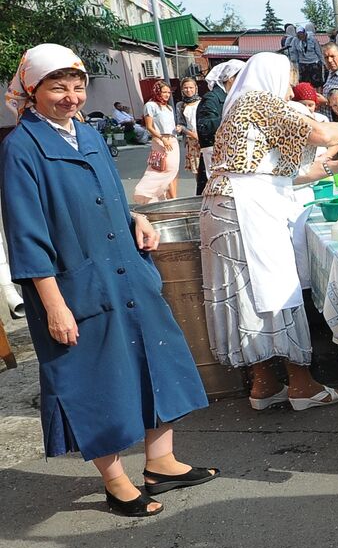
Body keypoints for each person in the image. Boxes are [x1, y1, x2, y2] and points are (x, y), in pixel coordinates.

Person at [2, 44, 214, 517]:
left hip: (126, 269)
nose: (71, 97)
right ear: (31, 91)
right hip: (75, 286)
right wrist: (55, 306)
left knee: (157, 360)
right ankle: (116, 482)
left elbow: (108, 195)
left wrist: (136, 216)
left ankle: (161, 463)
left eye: (78, 87)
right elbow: (26, 236)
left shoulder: (87, 134)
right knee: (95, 380)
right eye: (58, 88)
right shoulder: (21, 149)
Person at [200, 53, 338, 411]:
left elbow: (289, 174)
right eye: (287, 83)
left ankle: (264, 384)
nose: (290, 92)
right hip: (247, 210)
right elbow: (321, 133)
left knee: (249, 296)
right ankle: (302, 386)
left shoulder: (240, 108)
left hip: (225, 208)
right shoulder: (259, 100)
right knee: (278, 289)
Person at [196, 60, 243, 183]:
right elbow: (204, 127)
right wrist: (233, 118)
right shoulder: (212, 98)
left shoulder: (230, 97)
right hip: (214, 156)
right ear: (230, 78)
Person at [133, 81, 180, 204]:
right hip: (160, 139)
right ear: (157, 92)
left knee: (174, 169)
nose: (167, 95)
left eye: (169, 92)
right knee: (164, 168)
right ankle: (147, 193)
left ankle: (172, 197)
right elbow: (149, 127)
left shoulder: (169, 107)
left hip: (173, 139)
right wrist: (162, 139)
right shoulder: (150, 105)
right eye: (164, 92)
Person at [174, 77, 203, 190]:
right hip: (192, 140)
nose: (188, 90)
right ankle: (200, 193)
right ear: (182, 89)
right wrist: (183, 130)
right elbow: (181, 123)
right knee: (197, 169)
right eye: (185, 88)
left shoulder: (203, 102)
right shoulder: (180, 105)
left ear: (196, 88)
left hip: (204, 137)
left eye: (191, 87)